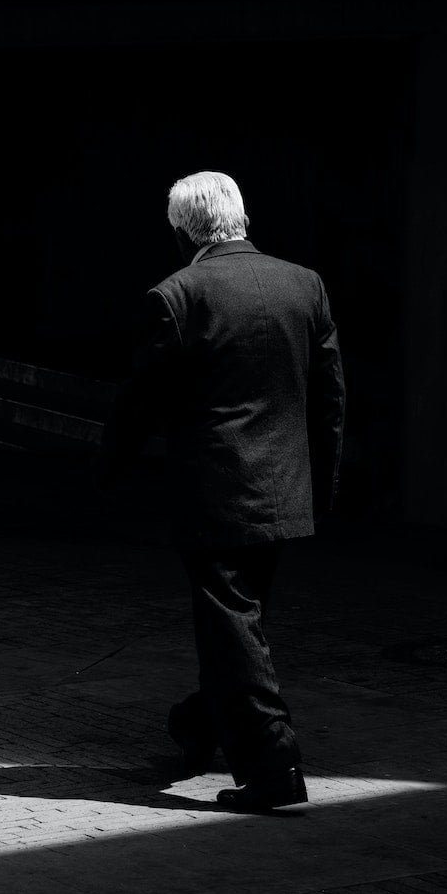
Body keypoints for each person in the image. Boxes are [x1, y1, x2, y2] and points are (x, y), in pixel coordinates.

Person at [101, 171, 345, 813]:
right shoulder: (304, 284)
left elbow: (140, 401)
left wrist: (109, 471)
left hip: (215, 496)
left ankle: (274, 769)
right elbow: (330, 398)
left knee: (232, 630)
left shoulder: (178, 295)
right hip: (284, 494)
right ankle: (199, 721)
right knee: (240, 625)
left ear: (183, 231)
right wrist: (325, 486)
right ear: (240, 216)